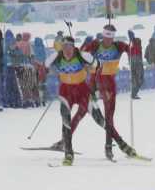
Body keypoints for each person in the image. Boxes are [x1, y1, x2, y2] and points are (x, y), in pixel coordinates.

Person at [44, 36, 101, 166]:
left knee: (79, 116)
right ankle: (66, 146)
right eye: (64, 47)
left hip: (83, 92)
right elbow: (50, 64)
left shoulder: (83, 54)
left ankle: (63, 142)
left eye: (69, 46)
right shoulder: (67, 54)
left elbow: (95, 67)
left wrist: (89, 70)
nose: (67, 49)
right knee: (70, 119)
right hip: (70, 92)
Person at [86, 24, 138, 161]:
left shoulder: (119, 46)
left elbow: (133, 52)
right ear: (102, 35)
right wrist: (85, 46)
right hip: (93, 84)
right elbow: (80, 54)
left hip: (109, 85)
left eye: (110, 38)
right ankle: (65, 141)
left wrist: (134, 42)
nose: (108, 41)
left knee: (109, 118)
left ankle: (109, 147)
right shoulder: (95, 45)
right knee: (98, 119)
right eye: (106, 37)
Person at [128, 30, 144, 99]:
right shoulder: (135, 44)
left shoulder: (131, 45)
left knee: (135, 79)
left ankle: (134, 93)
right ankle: (134, 93)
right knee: (139, 79)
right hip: (137, 63)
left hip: (132, 62)